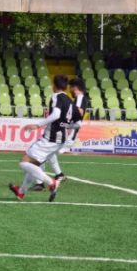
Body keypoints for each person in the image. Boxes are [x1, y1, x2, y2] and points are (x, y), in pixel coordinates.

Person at [8, 74, 73, 202]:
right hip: (61, 139)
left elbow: (56, 115)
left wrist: (37, 125)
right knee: (33, 165)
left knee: (24, 162)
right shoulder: (69, 101)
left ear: (54, 85)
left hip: (51, 138)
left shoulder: (56, 96)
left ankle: (51, 182)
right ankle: (21, 192)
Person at [31, 77, 89, 191]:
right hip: (65, 133)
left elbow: (78, 113)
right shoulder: (79, 99)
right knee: (49, 154)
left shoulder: (79, 98)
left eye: (71, 87)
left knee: (40, 154)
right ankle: (58, 175)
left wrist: (64, 121)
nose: (70, 90)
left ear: (75, 88)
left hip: (65, 133)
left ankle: (41, 182)